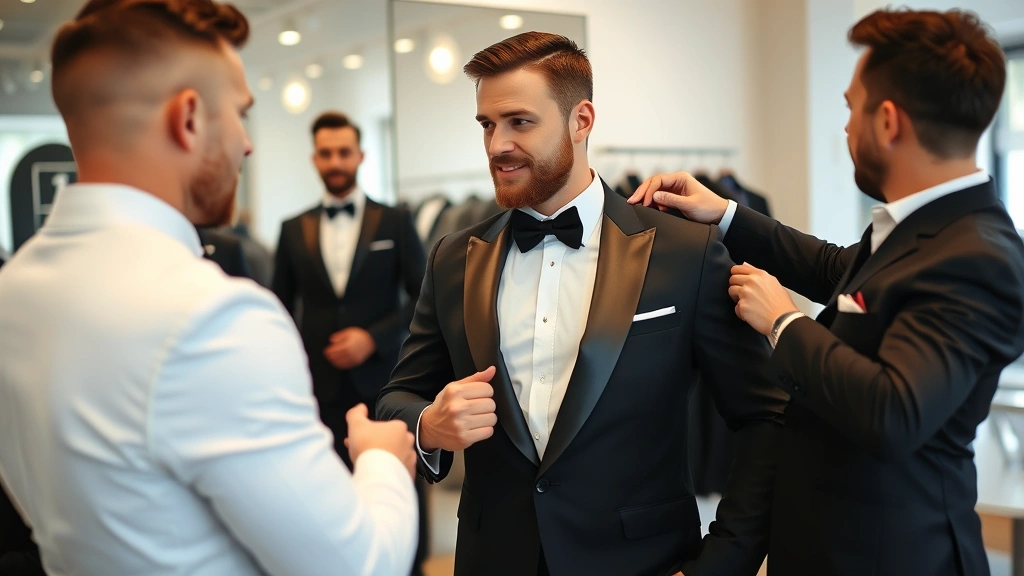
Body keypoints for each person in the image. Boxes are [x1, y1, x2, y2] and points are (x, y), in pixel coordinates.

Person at [0, 2, 418, 575]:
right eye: (240, 114)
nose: (247, 143)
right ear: (190, 117)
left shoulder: (13, 291)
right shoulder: (213, 318)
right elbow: (358, 567)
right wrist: (381, 462)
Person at [377, 31, 788, 576]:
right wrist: (429, 424)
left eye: (519, 122)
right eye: (487, 124)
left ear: (581, 120)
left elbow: (767, 418)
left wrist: (722, 563)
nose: (497, 144)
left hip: (644, 561)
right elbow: (396, 398)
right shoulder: (454, 258)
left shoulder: (685, 251)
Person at [631, 8, 1024, 576]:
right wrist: (726, 215)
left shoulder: (977, 256)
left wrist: (783, 323)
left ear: (888, 121)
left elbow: (895, 411)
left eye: (850, 108)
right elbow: (840, 272)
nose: (845, 127)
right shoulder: (922, 227)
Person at [272, 111, 429, 574]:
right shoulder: (292, 228)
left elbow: (424, 296)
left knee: (396, 480)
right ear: (314, 158)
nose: (335, 161)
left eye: (344, 152)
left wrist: (373, 338)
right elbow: (280, 307)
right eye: (326, 153)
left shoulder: (396, 221)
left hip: (385, 382)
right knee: (329, 494)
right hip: (318, 389)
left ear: (360, 155)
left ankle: (408, 565)